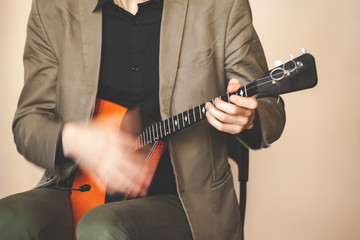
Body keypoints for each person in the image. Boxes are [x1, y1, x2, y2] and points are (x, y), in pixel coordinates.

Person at [0, 0, 286, 239]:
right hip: (77, 188)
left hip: (182, 199)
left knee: (102, 229)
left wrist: (248, 118)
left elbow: (269, 106)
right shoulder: (54, 7)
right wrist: (77, 139)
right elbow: (28, 125)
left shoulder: (220, 6)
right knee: (10, 217)